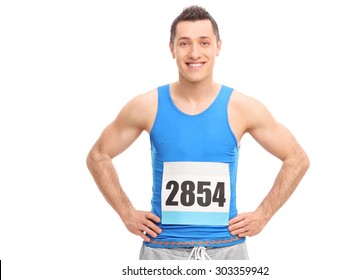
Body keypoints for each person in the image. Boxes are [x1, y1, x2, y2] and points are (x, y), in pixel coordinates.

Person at [86, 5, 309, 260]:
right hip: (161, 251)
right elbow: (98, 156)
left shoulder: (242, 108)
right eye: (184, 43)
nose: (194, 53)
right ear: (172, 48)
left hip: (227, 250)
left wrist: (264, 214)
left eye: (204, 42)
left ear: (218, 46)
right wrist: (126, 212)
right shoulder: (147, 106)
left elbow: (297, 159)